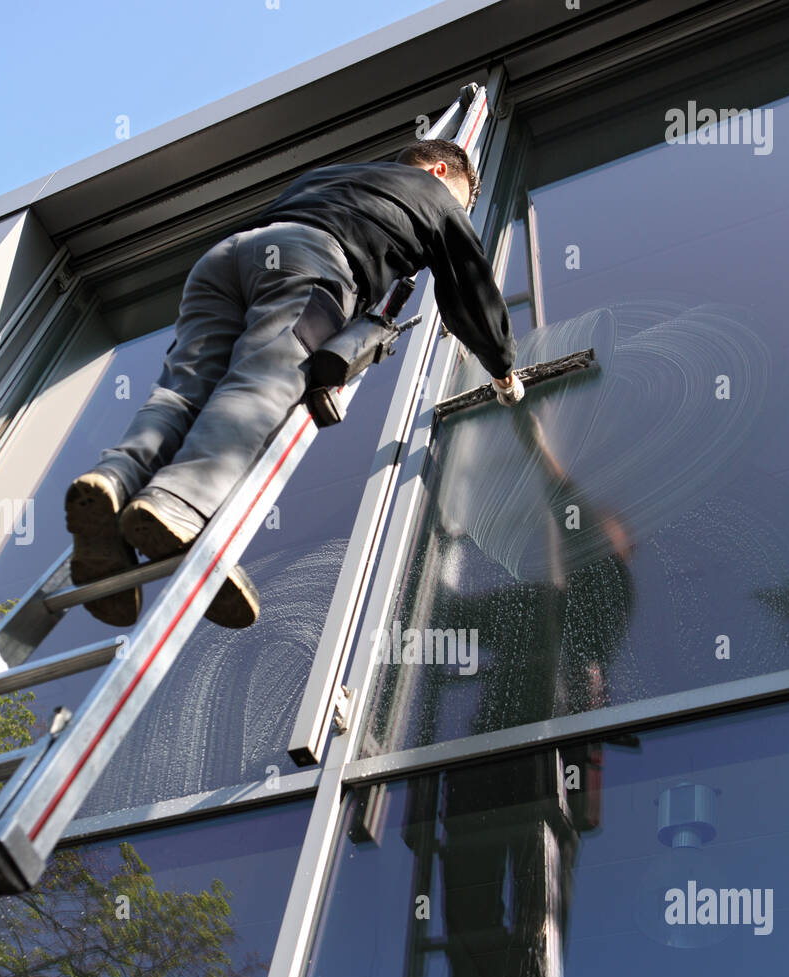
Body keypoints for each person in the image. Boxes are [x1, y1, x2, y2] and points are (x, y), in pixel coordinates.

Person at [64, 139, 524, 630]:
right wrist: (502, 370)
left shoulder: (333, 173)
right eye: (461, 200)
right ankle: (180, 505)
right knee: (262, 385)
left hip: (226, 261)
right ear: (437, 170)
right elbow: (471, 291)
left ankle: (114, 482)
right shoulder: (430, 193)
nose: (458, 209)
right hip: (307, 262)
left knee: (183, 389)